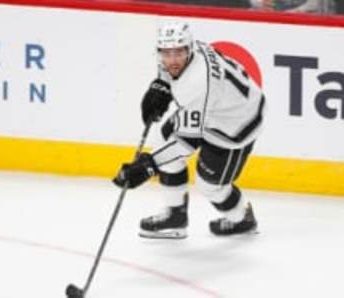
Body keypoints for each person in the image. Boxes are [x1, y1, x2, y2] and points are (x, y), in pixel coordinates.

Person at [113, 22, 265, 239]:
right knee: (163, 141)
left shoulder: (196, 84)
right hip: (213, 107)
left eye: (178, 53)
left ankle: (242, 219)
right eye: (166, 53)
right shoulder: (186, 55)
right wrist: (160, 85)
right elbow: (168, 72)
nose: (172, 60)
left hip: (236, 122)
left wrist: (148, 165)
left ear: (189, 49)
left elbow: (186, 144)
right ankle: (176, 216)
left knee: (210, 186)